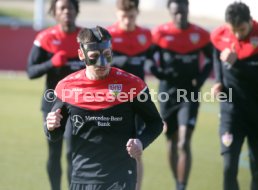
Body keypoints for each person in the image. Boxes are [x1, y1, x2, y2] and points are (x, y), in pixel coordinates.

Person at [45, 26, 163, 190]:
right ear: (81, 55)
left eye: (107, 55)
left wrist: (141, 142)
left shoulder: (132, 85)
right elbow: (55, 134)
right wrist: (51, 126)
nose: (102, 63)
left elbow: (155, 123)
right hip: (81, 179)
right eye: (94, 57)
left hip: (121, 178)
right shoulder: (66, 87)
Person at [210, 2, 258, 190]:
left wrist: (238, 64)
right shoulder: (219, 35)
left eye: (242, 29)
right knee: (229, 168)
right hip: (231, 113)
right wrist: (218, 81)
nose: (238, 34)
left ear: (250, 21)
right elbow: (217, 54)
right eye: (234, 30)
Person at [149, 0, 213, 190]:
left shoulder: (200, 34)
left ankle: (181, 186)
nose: (179, 16)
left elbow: (211, 59)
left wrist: (201, 79)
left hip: (190, 93)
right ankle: (177, 180)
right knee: (172, 140)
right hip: (167, 94)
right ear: (170, 12)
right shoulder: (160, 34)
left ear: (187, 10)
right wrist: (158, 73)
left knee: (184, 142)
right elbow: (149, 58)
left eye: (182, 12)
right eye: (175, 13)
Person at [26, 0, 84, 190]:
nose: (67, 11)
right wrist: (51, 63)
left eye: (71, 7)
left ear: (77, 10)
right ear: (55, 12)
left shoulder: (86, 38)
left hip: (80, 105)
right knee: (54, 151)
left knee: (72, 151)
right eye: (62, 8)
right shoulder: (45, 38)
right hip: (53, 104)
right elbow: (31, 71)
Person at [107, 1, 153, 189]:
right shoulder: (108, 36)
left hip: (138, 102)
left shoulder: (146, 35)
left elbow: (153, 61)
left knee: (136, 151)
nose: (127, 20)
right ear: (117, 14)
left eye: (131, 16)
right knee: (110, 151)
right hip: (112, 101)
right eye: (123, 16)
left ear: (137, 13)